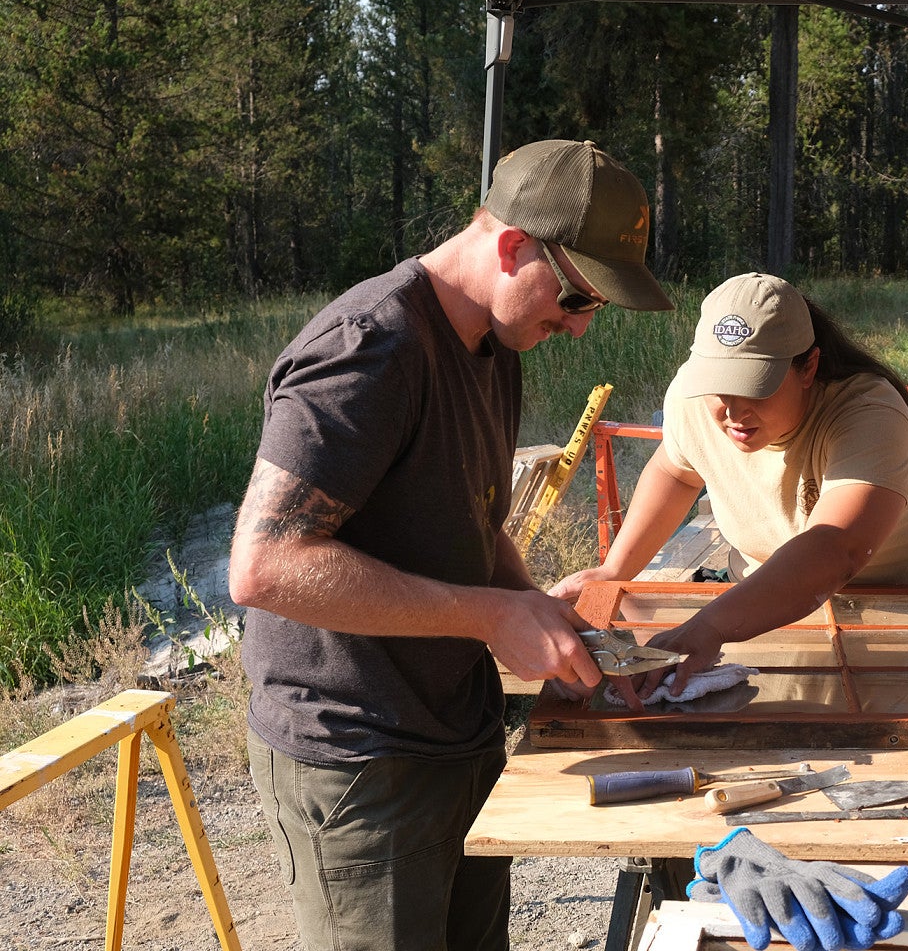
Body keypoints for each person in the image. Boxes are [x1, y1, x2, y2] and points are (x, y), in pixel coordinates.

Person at [228, 138, 672, 951]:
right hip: (361, 756)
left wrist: (533, 612)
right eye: (576, 302)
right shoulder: (370, 348)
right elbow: (265, 566)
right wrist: (488, 618)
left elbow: (472, 514)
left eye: (593, 310)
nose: (577, 331)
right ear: (511, 247)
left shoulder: (493, 340)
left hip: (451, 732)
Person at [550, 271, 908, 698]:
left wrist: (708, 626)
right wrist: (614, 571)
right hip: (765, 596)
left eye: (756, 389)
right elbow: (676, 471)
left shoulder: (870, 414)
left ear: (808, 368)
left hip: (895, 601)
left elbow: (836, 548)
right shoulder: (693, 399)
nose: (733, 410)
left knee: (869, 723)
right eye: (720, 388)